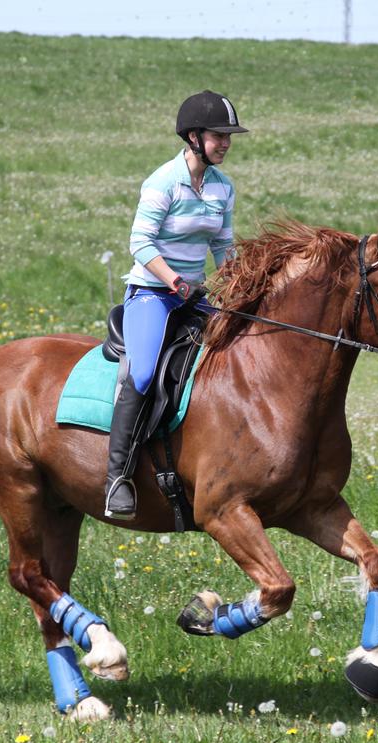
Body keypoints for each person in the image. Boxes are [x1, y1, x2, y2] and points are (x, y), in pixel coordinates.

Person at [105, 90, 248, 520]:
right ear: (192, 136)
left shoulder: (223, 188)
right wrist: (174, 281)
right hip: (152, 294)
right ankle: (117, 477)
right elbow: (139, 243)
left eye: (229, 136)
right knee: (145, 371)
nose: (225, 142)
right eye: (217, 135)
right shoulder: (163, 182)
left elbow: (223, 246)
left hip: (194, 298)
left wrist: (237, 289)